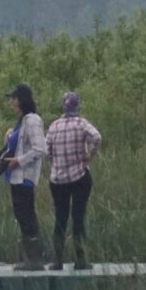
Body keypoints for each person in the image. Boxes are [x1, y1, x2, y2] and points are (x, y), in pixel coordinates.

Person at [42, 90, 102, 270]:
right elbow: (97, 137)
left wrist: (56, 159)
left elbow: (46, 150)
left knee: (60, 219)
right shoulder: (82, 124)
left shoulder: (54, 126)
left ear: (64, 106)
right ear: (78, 106)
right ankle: (80, 260)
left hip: (58, 179)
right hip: (79, 176)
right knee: (78, 217)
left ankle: (58, 261)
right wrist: (89, 155)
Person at [0, 83, 50, 269]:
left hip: (25, 177)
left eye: (14, 98)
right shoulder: (21, 122)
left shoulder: (32, 120)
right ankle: (31, 258)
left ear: (21, 100)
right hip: (15, 177)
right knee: (21, 215)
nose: (12, 102)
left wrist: (18, 161)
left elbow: (40, 149)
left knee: (27, 216)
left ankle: (35, 260)